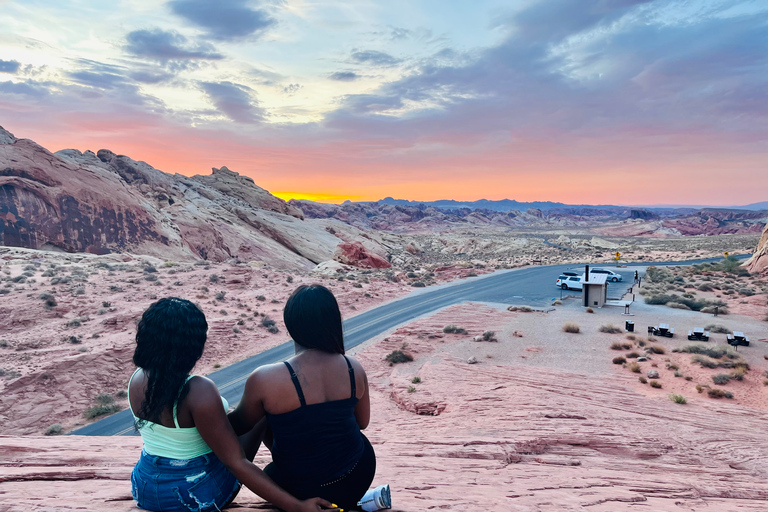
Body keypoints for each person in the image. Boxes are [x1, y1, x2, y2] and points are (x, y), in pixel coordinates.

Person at [129, 297, 338, 512]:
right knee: (262, 408)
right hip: (191, 495)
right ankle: (293, 471)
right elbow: (236, 462)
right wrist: (297, 506)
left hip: (145, 488)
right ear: (192, 345)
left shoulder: (137, 378)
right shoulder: (198, 390)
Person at [229, 285, 390, 511]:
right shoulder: (353, 368)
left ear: (291, 324)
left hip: (300, 490)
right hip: (357, 477)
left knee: (266, 416)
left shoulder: (266, 379)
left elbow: (238, 425)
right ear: (333, 321)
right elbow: (362, 423)